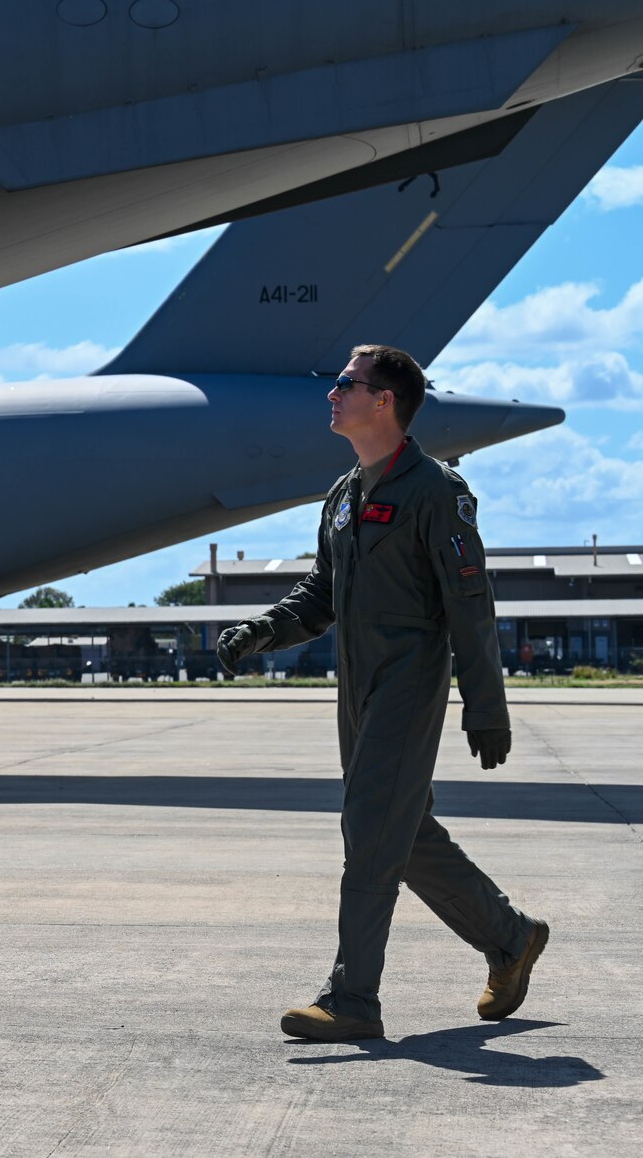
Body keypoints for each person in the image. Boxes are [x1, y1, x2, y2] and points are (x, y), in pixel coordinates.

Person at [215, 344, 546, 1043]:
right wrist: (258, 631)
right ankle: (511, 937)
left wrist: (486, 705)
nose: (331, 393)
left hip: (408, 683)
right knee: (403, 833)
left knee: (370, 831)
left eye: (344, 382)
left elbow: (471, 606)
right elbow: (319, 594)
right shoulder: (344, 494)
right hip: (356, 688)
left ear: (384, 400)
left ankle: (353, 997)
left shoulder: (434, 490)